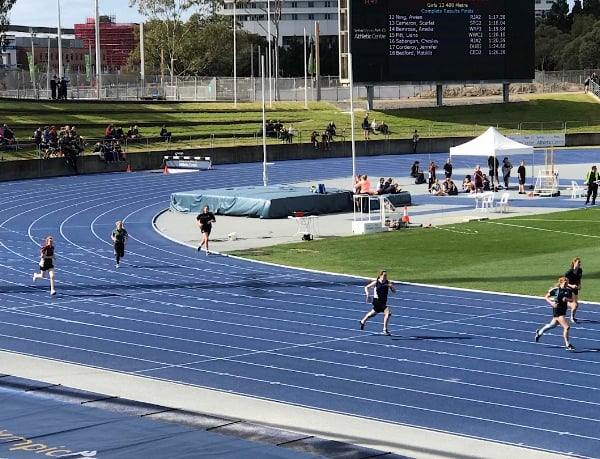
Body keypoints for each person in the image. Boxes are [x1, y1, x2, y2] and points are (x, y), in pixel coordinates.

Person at [535, 277, 575, 351]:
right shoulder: (555, 290)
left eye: (567, 283)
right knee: (567, 327)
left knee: (553, 325)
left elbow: (572, 299)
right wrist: (552, 303)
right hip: (557, 310)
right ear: (561, 283)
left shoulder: (568, 290)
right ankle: (568, 344)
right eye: (565, 283)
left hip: (563, 310)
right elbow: (546, 297)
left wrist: (567, 299)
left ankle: (539, 332)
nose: (566, 285)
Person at [360, 270, 396, 336]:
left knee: (373, 313)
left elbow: (394, 291)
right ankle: (385, 329)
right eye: (384, 275)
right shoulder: (376, 282)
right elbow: (366, 287)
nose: (385, 277)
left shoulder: (388, 282)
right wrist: (368, 294)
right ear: (380, 275)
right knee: (388, 313)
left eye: (386, 275)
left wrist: (391, 287)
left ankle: (363, 321)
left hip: (383, 301)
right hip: (377, 301)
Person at [564, 257, 583, 323]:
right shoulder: (568, 273)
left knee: (576, 305)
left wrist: (580, 285)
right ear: (574, 263)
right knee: (575, 305)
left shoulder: (580, 270)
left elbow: (579, 279)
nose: (580, 264)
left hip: (575, 289)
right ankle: (572, 317)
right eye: (578, 262)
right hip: (568, 289)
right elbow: (564, 282)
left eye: (580, 262)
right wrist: (571, 285)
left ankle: (572, 316)